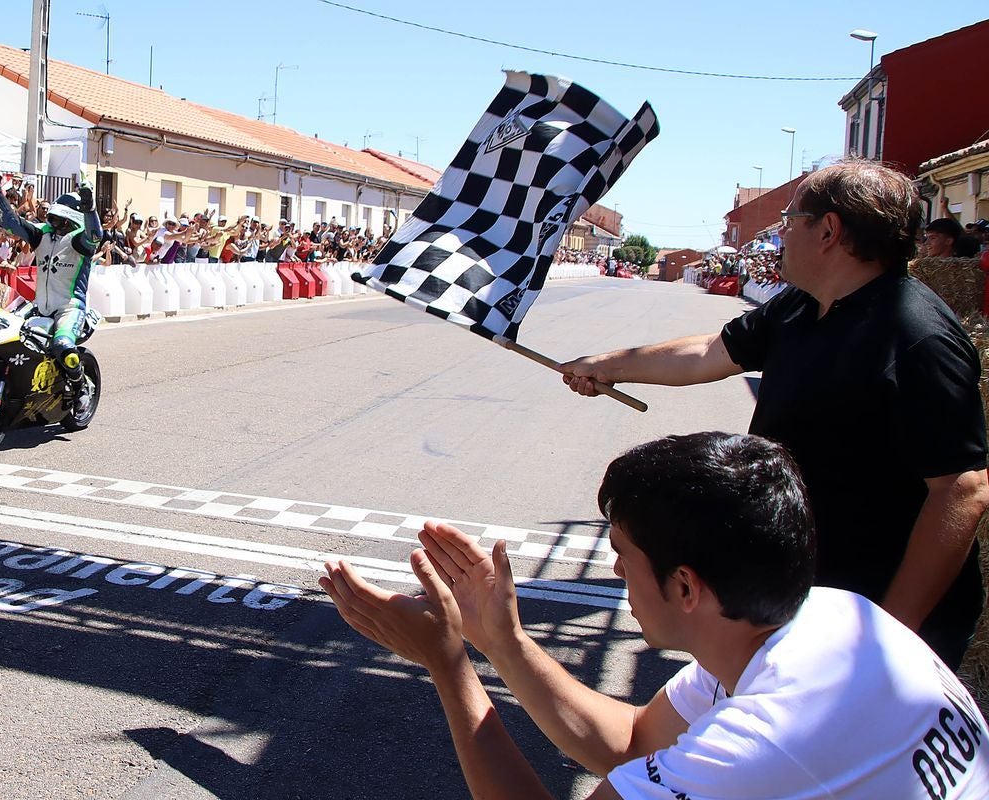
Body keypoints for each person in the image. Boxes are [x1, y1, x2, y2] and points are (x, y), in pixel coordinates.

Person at [321, 432, 989, 799]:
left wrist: (448, 665)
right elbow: (636, 742)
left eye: (623, 554)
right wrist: (503, 641)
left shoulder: (756, 746)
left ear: (686, 586)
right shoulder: (829, 615)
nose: (614, 572)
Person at [562, 159, 989, 669]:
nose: (781, 233)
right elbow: (709, 352)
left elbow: (962, 489)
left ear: (828, 230)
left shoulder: (917, 337)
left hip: (875, 612)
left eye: (789, 219)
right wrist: (606, 366)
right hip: (806, 591)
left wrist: (888, 633)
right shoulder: (802, 306)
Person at [0, 170, 101, 414]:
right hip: (40, 306)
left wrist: (90, 207)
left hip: (70, 308)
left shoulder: (80, 241)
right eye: (52, 218)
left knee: (63, 345)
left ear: (72, 220)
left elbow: (95, 235)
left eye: (59, 220)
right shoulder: (42, 235)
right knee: (8, 338)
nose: (53, 223)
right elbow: (10, 222)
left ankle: (80, 387)